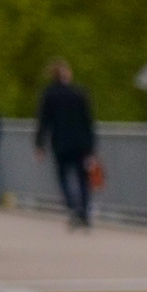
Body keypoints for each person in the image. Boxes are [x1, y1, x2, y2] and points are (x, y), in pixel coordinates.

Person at [34, 59, 97, 229]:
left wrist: (40, 144)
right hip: (81, 144)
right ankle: (84, 212)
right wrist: (92, 147)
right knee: (82, 178)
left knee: (63, 178)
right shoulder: (79, 93)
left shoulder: (48, 94)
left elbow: (43, 122)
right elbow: (88, 121)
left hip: (60, 144)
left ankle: (72, 207)